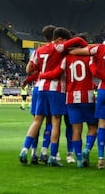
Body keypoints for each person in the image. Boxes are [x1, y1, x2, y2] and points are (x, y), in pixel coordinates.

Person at [19, 26, 87, 166]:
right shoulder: (59, 48)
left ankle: (25, 150)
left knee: (37, 120)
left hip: (40, 87)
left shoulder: (38, 50)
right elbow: (79, 39)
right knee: (55, 122)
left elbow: (29, 69)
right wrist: (87, 49)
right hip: (55, 89)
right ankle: (51, 156)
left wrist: (37, 76)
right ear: (60, 39)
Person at [70, 24, 105, 170]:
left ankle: (100, 159)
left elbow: (91, 65)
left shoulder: (97, 48)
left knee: (102, 124)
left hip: (102, 91)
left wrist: (70, 50)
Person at [39, 34, 99, 167]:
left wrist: (42, 75)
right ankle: (87, 149)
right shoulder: (89, 57)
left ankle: (79, 160)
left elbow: (55, 73)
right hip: (87, 96)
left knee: (76, 130)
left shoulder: (66, 58)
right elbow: (95, 72)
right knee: (93, 127)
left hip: (71, 98)